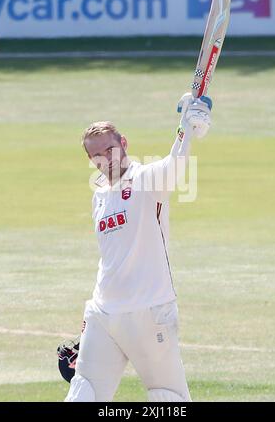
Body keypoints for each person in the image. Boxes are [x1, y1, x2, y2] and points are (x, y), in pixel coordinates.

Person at [65, 93, 212, 402]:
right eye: (96, 156)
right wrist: (88, 321)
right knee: (84, 393)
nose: (105, 158)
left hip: (150, 310)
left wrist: (185, 130)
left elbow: (174, 166)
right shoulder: (99, 196)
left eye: (110, 148)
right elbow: (111, 258)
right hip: (104, 314)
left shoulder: (146, 179)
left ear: (124, 143)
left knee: (168, 397)